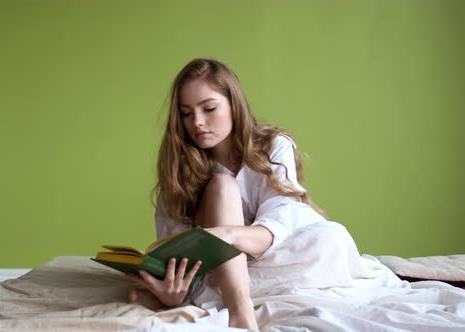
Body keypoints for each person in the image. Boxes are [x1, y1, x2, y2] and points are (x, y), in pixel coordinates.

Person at [124, 58, 351, 330]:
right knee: (222, 186)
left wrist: (227, 235)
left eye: (209, 108)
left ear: (234, 105)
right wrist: (175, 288)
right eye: (186, 113)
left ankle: (208, 293)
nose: (197, 122)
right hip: (214, 267)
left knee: (331, 240)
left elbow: (281, 221)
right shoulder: (179, 168)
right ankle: (240, 313)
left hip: (268, 255)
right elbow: (175, 248)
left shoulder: (274, 146)